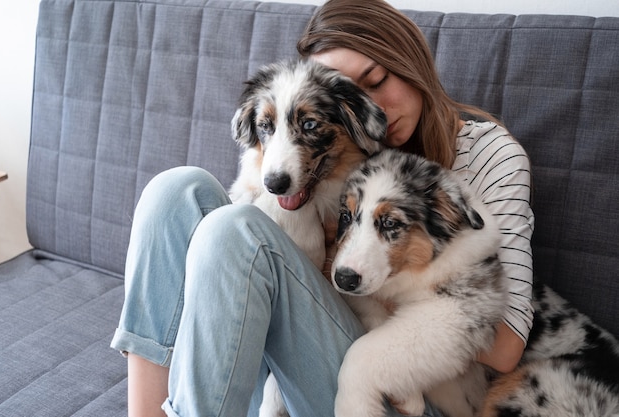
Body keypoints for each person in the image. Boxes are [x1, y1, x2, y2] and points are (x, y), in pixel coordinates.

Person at [110, 0, 535, 416]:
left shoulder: (491, 155)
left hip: (394, 383)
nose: (372, 112)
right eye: (347, 96)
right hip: (283, 362)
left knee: (235, 229)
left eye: (375, 79)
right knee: (177, 190)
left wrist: (346, 259)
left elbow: (507, 346)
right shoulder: (340, 153)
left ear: (410, 60)